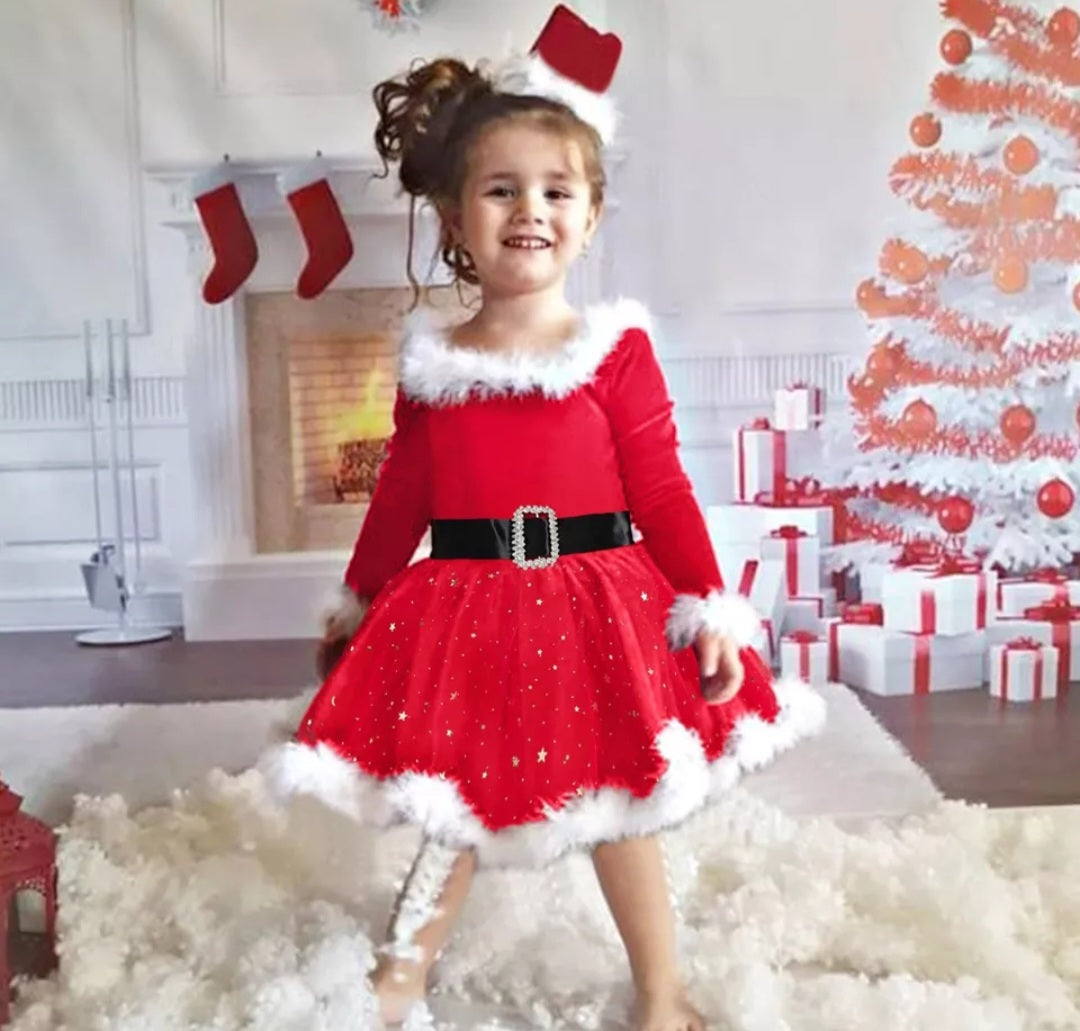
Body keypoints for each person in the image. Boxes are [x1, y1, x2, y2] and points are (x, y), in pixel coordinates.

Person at [264, 7, 825, 1029]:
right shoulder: (435, 367)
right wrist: (360, 601)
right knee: (452, 799)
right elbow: (403, 495)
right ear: (456, 220)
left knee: (622, 802)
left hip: (597, 601)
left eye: (556, 190)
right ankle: (399, 977)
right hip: (464, 608)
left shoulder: (613, 351)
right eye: (501, 188)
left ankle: (662, 990)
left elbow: (659, 491)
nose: (531, 208)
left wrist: (709, 608)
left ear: (592, 215)